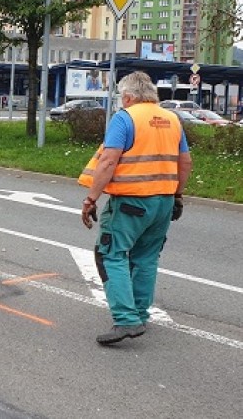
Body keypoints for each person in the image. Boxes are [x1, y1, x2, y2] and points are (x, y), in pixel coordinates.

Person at [77, 71, 193, 345]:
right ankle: (140, 314)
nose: (121, 102)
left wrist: (91, 199)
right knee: (146, 258)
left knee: (111, 254)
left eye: (121, 98)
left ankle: (126, 321)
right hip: (163, 202)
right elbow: (185, 162)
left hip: (131, 202)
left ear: (128, 97)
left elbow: (108, 162)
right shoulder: (173, 119)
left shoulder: (125, 118)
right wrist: (177, 195)